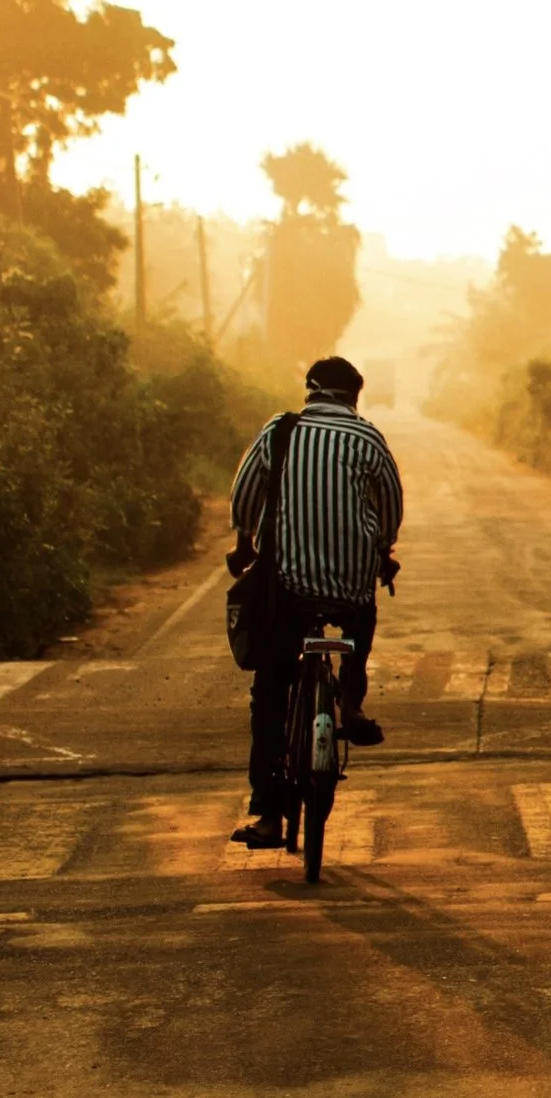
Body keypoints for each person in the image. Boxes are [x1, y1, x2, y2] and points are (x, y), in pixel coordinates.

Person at [227, 355, 403, 850]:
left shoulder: (280, 432)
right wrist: (382, 551)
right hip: (349, 587)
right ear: (354, 396)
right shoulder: (369, 438)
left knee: (270, 691)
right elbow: (390, 509)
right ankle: (350, 698)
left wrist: (245, 545)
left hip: (287, 588)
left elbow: (245, 500)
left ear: (309, 392)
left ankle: (266, 815)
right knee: (361, 617)